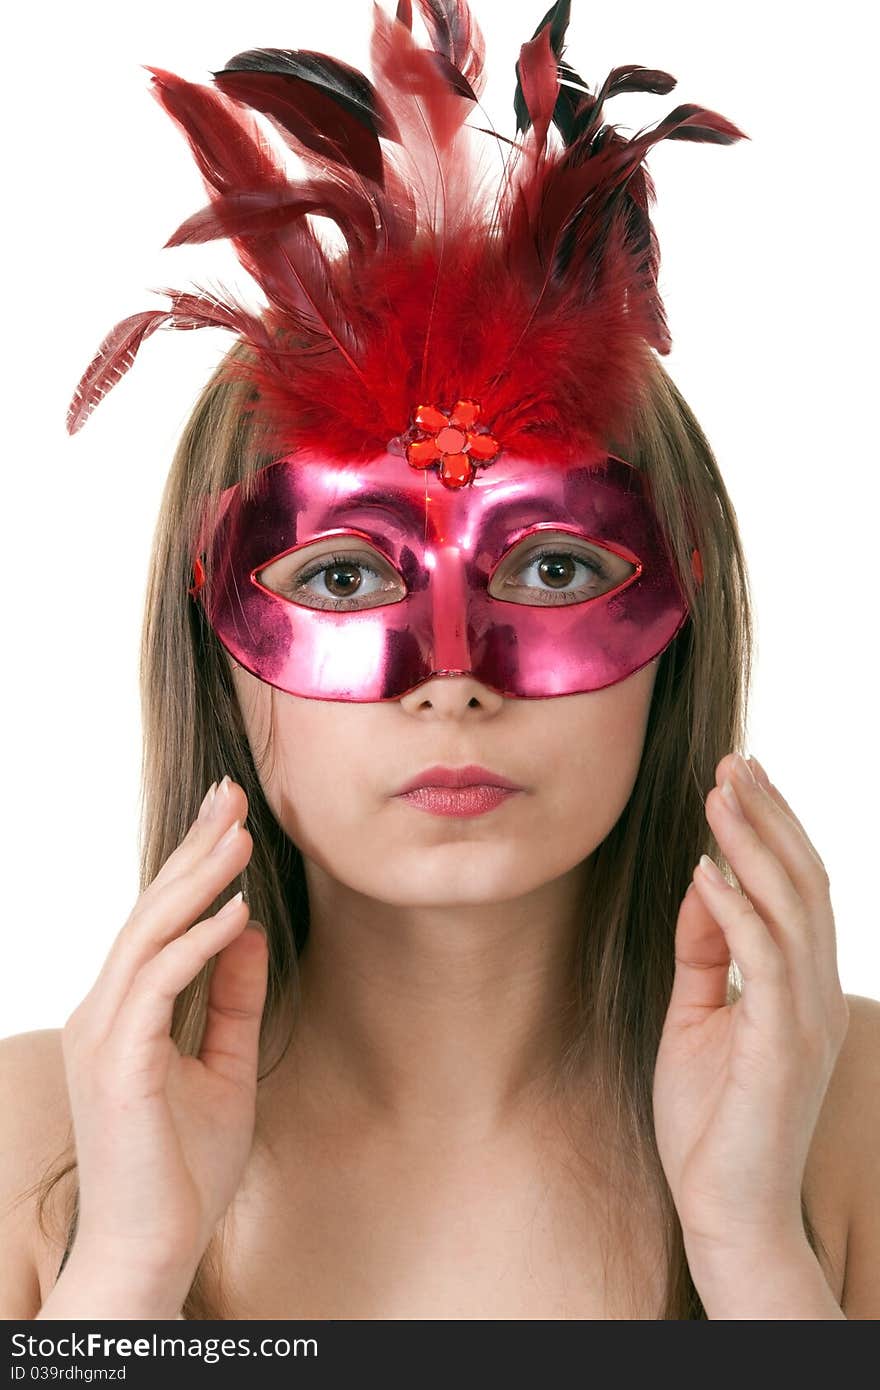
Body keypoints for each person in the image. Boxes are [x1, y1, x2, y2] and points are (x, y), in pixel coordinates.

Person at [2, 0, 878, 1321]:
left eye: (557, 567)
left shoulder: (852, 1120)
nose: (454, 677)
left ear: (687, 608)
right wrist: (123, 1278)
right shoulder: (36, 1150)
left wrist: (757, 1252)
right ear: (216, 642)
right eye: (341, 576)